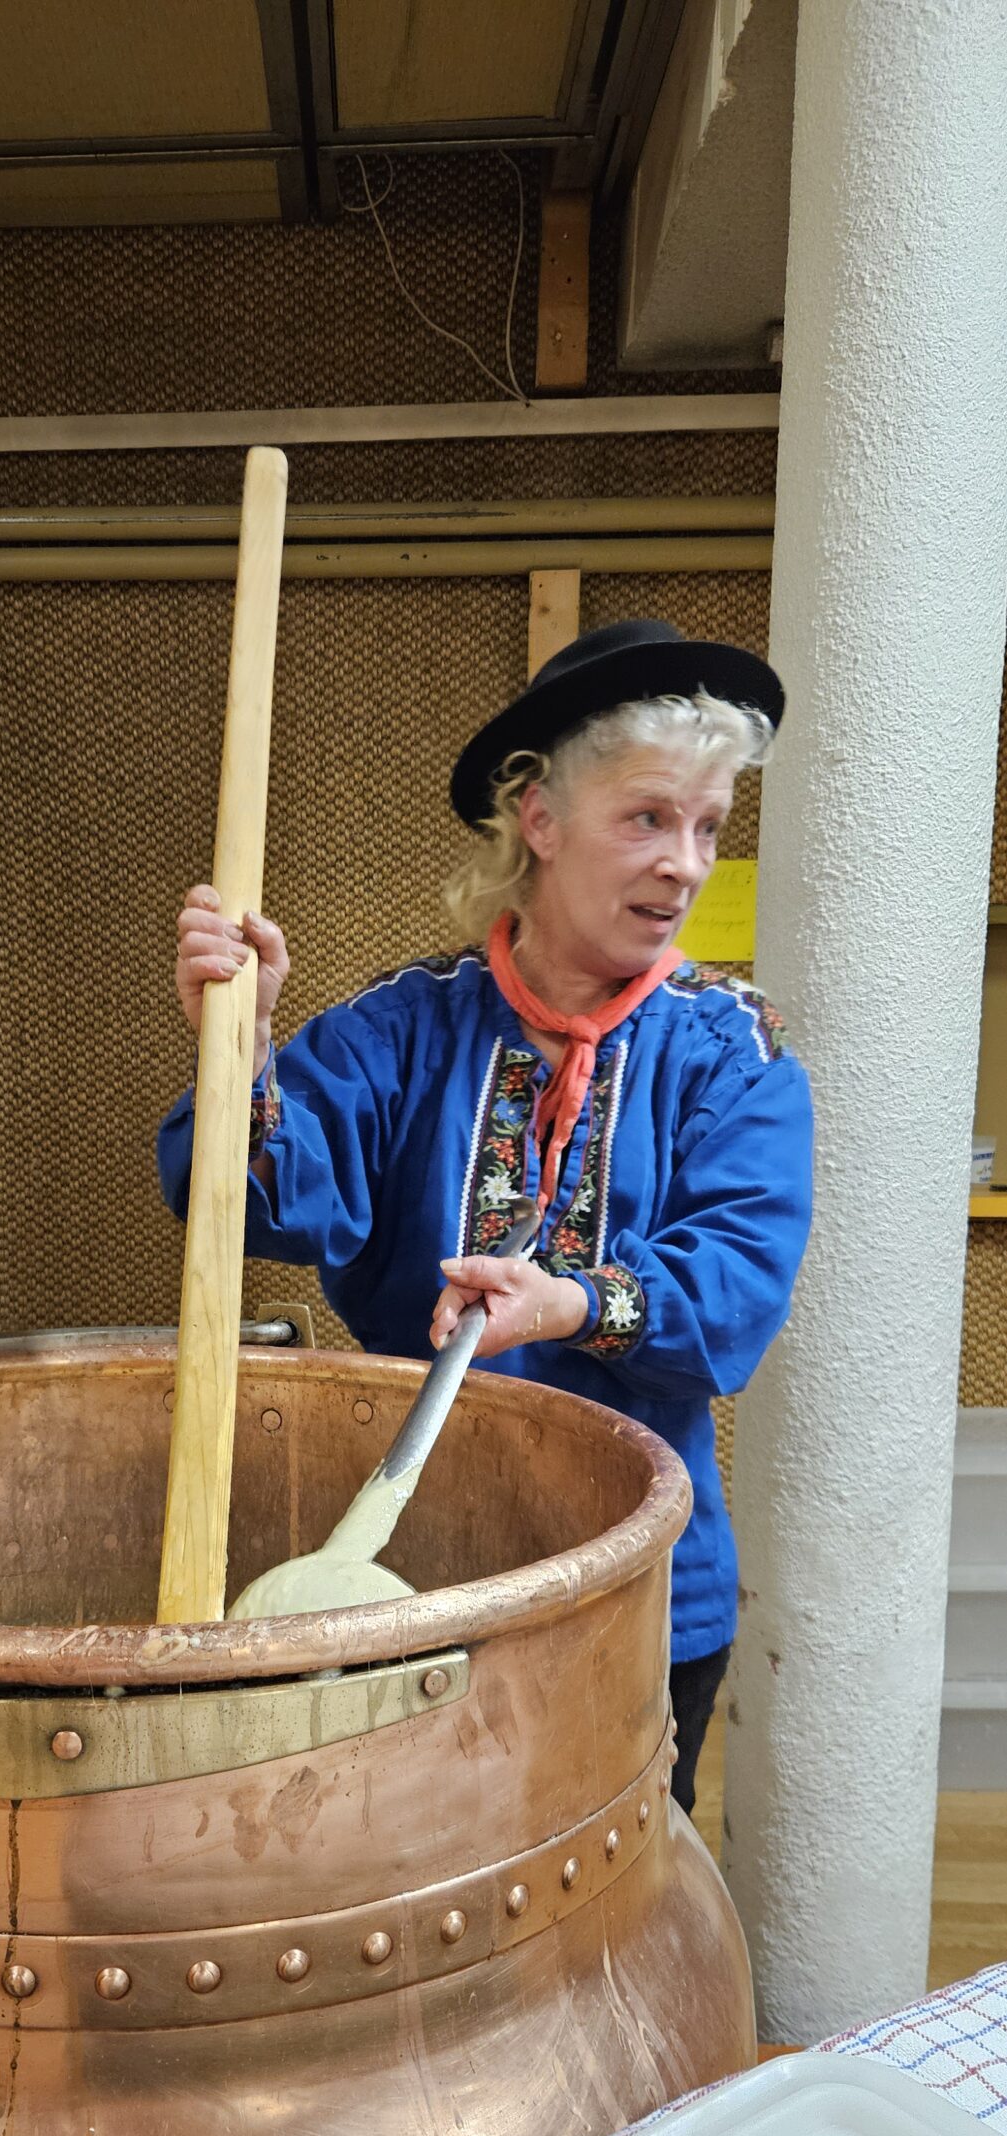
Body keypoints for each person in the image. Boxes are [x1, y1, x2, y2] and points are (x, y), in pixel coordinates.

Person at [158, 619, 813, 1812]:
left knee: (611, 1911)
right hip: (410, 1576)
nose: (685, 863)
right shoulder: (404, 1028)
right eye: (647, 817)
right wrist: (240, 1046)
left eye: (709, 826)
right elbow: (240, 1198)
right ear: (539, 819)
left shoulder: (733, 1053)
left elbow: (735, 1292)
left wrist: (567, 1299)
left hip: (640, 1589)